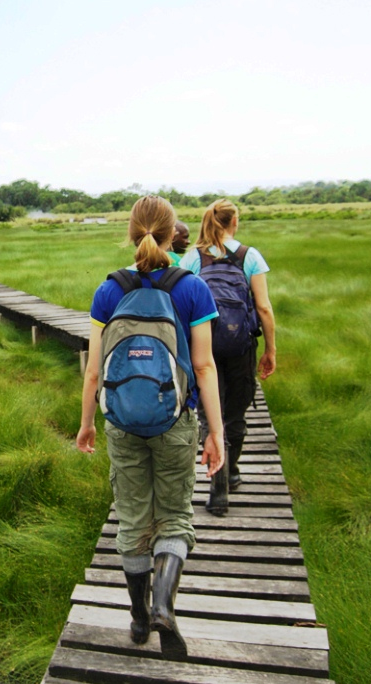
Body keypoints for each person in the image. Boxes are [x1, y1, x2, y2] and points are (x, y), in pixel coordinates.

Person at [76, 195, 225, 660]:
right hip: (176, 421)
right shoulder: (192, 287)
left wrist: (87, 424)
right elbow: (204, 368)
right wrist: (215, 433)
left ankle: (139, 618)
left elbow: (95, 372)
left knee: (133, 519)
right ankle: (164, 603)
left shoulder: (109, 289)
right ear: (171, 231)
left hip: (120, 421)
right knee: (175, 516)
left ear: (131, 232)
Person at [180, 198, 276, 515]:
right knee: (235, 412)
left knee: (211, 414)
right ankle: (231, 471)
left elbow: (181, 307)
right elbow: (263, 308)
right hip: (241, 347)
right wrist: (271, 349)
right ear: (234, 222)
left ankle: (217, 488)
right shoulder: (250, 256)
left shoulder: (193, 258)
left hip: (203, 347)